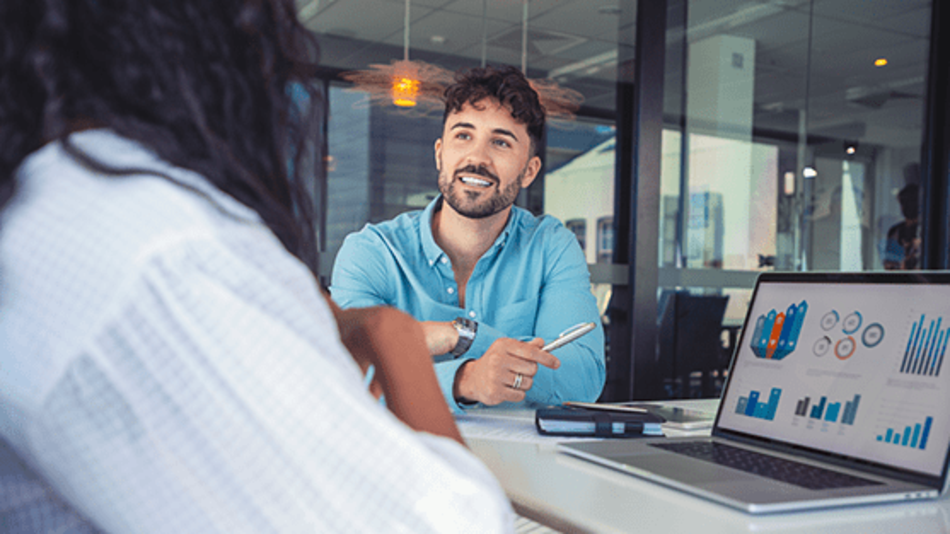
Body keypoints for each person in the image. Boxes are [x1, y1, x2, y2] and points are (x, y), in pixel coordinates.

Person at [0, 1, 513, 532]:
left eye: (502, 140)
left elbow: (580, 371)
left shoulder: (52, 201)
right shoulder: (161, 249)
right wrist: (396, 336)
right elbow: (452, 522)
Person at [330, 66, 606, 411]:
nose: (477, 158)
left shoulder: (551, 247)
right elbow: (340, 373)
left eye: (501, 142)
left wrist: (462, 336)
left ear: (529, 171)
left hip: (522, 464)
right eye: (463, 136)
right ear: (439, 154)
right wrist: (464, 379)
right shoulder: (373, 252)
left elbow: (581, 378)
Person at [883, 183, 920, 270]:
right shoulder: (895, 232)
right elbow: (888, 264)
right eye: (902, 203)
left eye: (909, 202)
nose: (904, 207)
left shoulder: (926, 232)